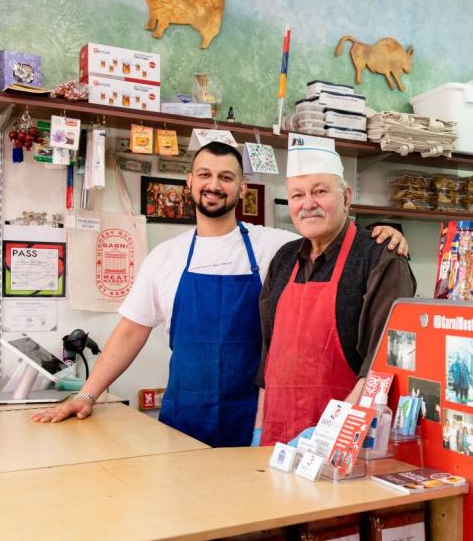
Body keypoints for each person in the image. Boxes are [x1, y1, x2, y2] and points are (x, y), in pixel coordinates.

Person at [32, 140, 408, 447]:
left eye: (226, 177)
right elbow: (131, 331)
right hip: (183, 421)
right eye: (205, 175)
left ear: (241, 188)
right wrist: (86, 395)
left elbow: (331, 238)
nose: (215, 185)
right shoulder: (166, 257)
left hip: (253, 421)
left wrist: (383, 235)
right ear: (190, 184)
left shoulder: (274, 248)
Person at [255, 135, 415, 445]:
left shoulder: (380, 256)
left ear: (346, 196)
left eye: (320, 191)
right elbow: (268, 361)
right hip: (275, 441)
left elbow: (382, 363)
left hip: (343, 445)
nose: (308, 204)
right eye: (297, 195)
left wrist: (327, 439)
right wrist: (259, 429)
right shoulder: (284, 259)